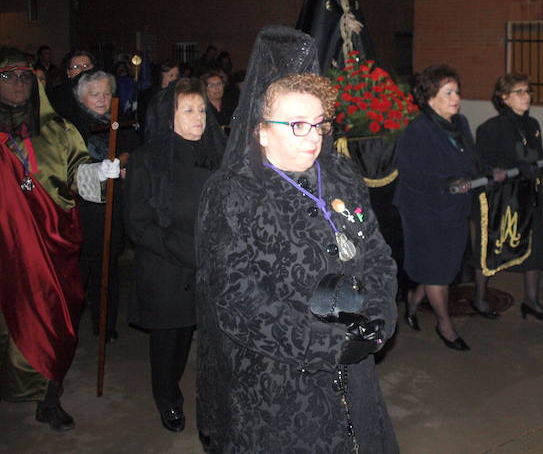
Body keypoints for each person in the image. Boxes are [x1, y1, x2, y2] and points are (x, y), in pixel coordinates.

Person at [195, 26, 397, 453]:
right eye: (297, 125)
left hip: (353, 363)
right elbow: (237, 300)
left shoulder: (341, 172)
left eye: (320, 123)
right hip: (277, 381)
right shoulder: (233, 192)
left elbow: (376, 250)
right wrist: (327, 344)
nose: (313, 136)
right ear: (260, 129)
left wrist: (380, 314)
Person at [0, 48, 119, 431]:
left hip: (50, 249)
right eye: (7, 77)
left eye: (23, 77)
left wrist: (99, 173)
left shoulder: (58, 129)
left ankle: (49, 400)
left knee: (53, 321)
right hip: (4, 250)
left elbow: (77, 173)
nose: (17, 84)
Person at [126, 77, 225, 433]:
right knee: (171, 344)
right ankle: (167, 398)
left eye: (201, 109)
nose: (199, 117)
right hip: (167, 269)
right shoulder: (146, 160)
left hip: (210, 267)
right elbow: (139, 225)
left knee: (212, 342)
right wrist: (189, 251)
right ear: (169, 116)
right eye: (189, 110)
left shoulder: (214, 154)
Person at [395, 64, 497, 351]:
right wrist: (446, 183)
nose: (456, 98)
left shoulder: (460, 124)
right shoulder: (418, 130)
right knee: (438, 271)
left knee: (443, 268)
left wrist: (488, 173)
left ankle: (414, 300)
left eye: (457, 91)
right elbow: (412, 175)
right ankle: (445, 325)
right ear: (430, 99)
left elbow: (472, 161)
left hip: (453, 209)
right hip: (423, 211)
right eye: (448, 92)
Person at [474, 73, 543, 321]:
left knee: (536, 247)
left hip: (529, 196)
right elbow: (485, 163)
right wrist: (512, 166)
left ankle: (531, 301)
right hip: (503, 200)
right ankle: (479, 297)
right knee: (492, 248)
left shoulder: (532, 125)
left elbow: (534, 155)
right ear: (504, 98)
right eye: (519, 92)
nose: (527, 97)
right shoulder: (490, 128)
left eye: (528, 91)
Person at [65, 70, 141, 341]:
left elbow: (134, 147)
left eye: (107, 93)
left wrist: (123, 160)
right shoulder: (71, 126)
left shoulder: (120, 121)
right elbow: (69, 167)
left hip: (113, 208)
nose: (102, 99)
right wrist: (98, 170)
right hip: (85, 213)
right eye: (94, 94)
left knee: (108, 268)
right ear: (81, 97)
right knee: (81, 272)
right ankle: (66, 327)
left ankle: (105, 325)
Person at [47, 49, 96, 118]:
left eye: (86, 66)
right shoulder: (58, 95)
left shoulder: (104, 90)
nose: (83, 70)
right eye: (76, 67)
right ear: (68, 72)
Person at [137, 60, 180, 130]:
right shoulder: (146, 96)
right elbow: (144, 122)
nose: (175, 79)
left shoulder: (179, 95)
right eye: (171, 75)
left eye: (176, 76)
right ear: (161, 76)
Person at [202, 68, 237, 133]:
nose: (217, 88)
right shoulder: (202, 109)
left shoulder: (232, 104)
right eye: (211, 85)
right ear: (205, 88)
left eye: (219, 84)